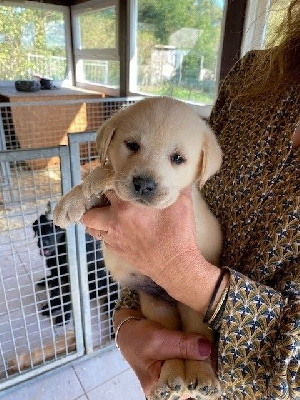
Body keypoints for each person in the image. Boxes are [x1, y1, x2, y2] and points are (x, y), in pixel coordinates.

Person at [81, 1, 300, 398]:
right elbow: (178, 203)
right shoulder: (256, 75)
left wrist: (183, 275)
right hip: (171, 369)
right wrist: (129, 318)